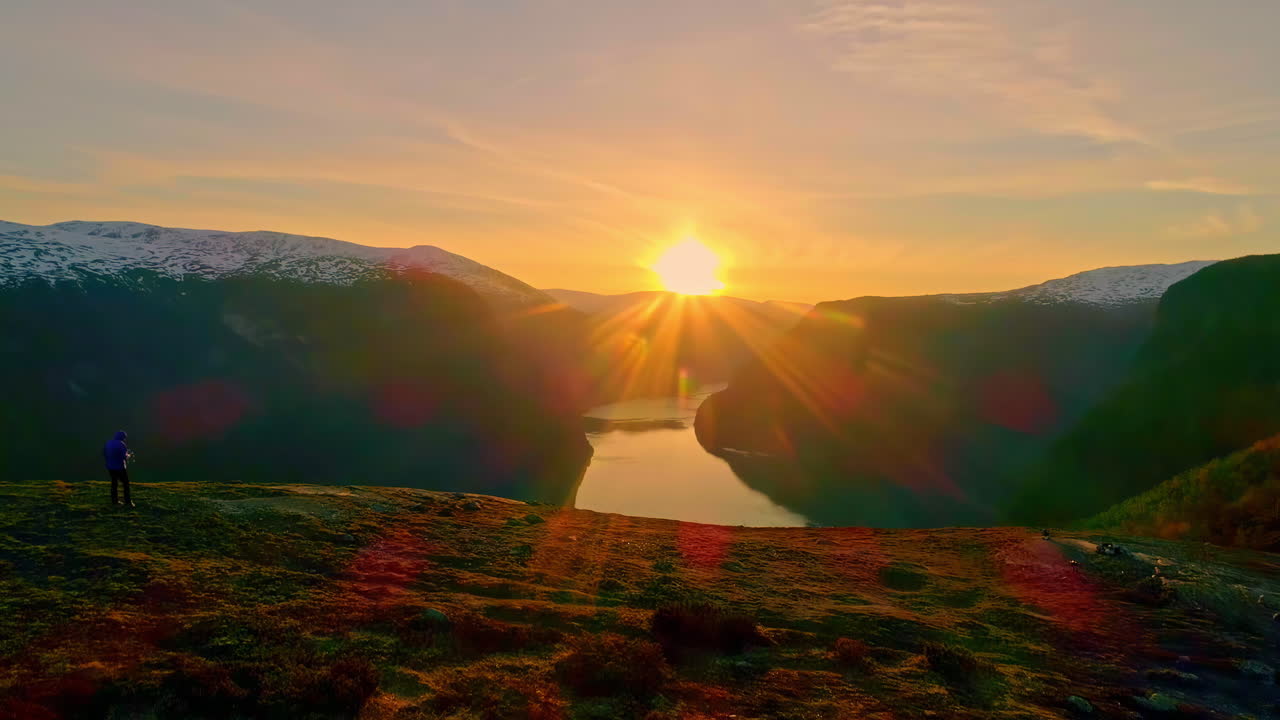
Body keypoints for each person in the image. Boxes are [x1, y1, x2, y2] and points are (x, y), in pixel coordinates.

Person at [103, 430, 134, 507]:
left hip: (110, 467)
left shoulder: (109, 443)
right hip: (120, 467)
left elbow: (104, 453)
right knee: (126, 484)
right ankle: (128, 501)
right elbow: (124, 456)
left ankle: (115, 501)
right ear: (123, 437)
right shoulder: (121, 444)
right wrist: (129, 455)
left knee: (114, 484)